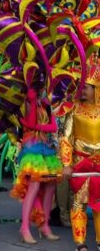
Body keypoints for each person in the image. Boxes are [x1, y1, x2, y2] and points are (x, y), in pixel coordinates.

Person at [10, 86, 62, 244]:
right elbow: (30, 122)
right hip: (31, 149)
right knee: (34, 185)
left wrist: (37, 127)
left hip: (47, 149)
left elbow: (53, 126)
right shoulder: (22, 103)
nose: (39, 87)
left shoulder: (46, 103)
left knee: (51, 185)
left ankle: (44, 225)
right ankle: (24, 228)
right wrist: (32, 102)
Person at [60, 58, 100, 251]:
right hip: (81, 164)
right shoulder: (73, 109)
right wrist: (67, 164)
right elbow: (66, 138)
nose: (82, 91)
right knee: (79, 204)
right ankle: (80, 244)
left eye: (87, 87)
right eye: (81, 87)